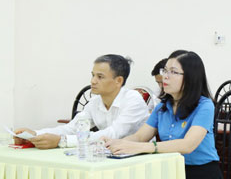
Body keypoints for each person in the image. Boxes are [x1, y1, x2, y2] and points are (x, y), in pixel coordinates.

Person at [105, 50, 225, 179]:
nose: (165, 77)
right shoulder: (162, 106)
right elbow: (140, 136)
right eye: (165, 70)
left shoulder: (204, 105)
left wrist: (142, 147)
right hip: (169, 174)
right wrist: (119, 143)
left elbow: (187, 145)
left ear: (191, 77)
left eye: (173, 72)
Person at [15, 54, 149, 149]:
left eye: (100, 77)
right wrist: (35, 134)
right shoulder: (95, 102)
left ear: (118, 81)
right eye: (93, 75)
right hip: (109, 153)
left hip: (137, 156)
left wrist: (62, 141)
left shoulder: (133, 99)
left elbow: (114, 134)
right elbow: (72, 128)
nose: (93, 81)